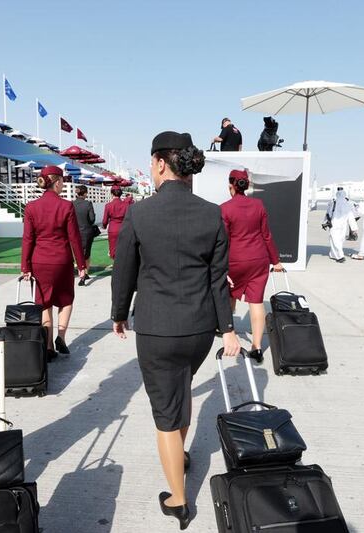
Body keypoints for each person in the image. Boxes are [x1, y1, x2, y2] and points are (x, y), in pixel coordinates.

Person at [111, 131, 241, 530]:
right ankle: (179, 454)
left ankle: (179, 500)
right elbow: (219, 280)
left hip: (156, 329)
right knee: (180, 390)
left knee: (166, 411)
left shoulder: (140, 212)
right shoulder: (212, 213)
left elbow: (124, 272)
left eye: (151, 163)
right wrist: (228, 330)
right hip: (200, 330)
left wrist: (119, 313)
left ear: (162, 164)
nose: (150, 170)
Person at [21, 165, 88, 357]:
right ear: (57, 182)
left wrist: (25, 266)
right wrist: (82, 265)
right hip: (62, 260)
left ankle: (48, 346)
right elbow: (74, 238)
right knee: (66, 299)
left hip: (39, 262)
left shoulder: (31, 207)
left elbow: (28, 239)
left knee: (44, 303)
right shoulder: (66, 206)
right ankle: (61, 336)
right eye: (63, 181)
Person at [220, 169, 283, 362]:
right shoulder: (258, 205)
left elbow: (224, 240)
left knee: (229, 292)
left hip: (235, 261)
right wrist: (276, 261)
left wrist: (218, 264)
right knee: (256, 302)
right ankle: (256, 347)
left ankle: (228, 329)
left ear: (231, 185)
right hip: (259, 260)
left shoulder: (225, 208)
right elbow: (266, 235)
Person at [325, 188, 358, 263]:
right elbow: (351, 217)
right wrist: (354, 228)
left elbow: (328, 213)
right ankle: (333, 254)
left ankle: (340, 256)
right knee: (339, 240)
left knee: (334, 240)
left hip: (334, 224)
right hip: (343, 226)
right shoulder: (348, 203)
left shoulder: (333, 202)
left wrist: (324, 222)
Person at [72, 184, 96, 285]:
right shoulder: (88, 204)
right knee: (87, 253)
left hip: (74, 232)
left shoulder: (71, 204)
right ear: (85, 193)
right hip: (86, 231)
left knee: (77, 253)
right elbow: (92, 219)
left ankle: (80, 272)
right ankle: (85, 273)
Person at [102, 185, 129, 259]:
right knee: (124, 249)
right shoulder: (126, 205)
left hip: (113, 229)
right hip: (124, 228)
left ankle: (116, 266)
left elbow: (105, 220)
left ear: (112, 194)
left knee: (113, 249)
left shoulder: (108, 205)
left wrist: (104, 226)